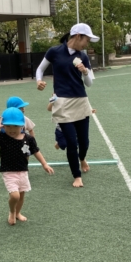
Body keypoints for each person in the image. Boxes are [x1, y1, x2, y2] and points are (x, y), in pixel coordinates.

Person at [36, 23, 98, 187]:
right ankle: (76, 176)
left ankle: (82, 158)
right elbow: (40, 69)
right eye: (87, 39)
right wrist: (39, 81)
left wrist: (85, 72)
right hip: (62, 103)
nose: (87, 43)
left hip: (81, 101)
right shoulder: (54, 51)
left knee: (84, 142)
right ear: (78, 36)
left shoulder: (83, 57)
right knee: (72, 142)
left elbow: (89, 83)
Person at [0, 108, 54, 225]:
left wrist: (44, 164)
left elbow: (36, 151)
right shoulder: (2, 137)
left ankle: (17, 213)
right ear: (3, 126)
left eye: (15, 126)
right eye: (8, 126)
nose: (11, 130)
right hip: (8, 171)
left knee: (21, 196)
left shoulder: (28, 139)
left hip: (23, 171)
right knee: (15, 195)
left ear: (22, 126)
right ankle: (12, 212)